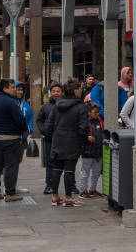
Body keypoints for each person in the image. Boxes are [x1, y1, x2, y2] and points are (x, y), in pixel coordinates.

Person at [0, 79, 28, 202]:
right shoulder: (11, 102)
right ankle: (10, 193)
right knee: (11, 166)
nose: (15, 89)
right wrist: (24, 129)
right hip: (11, 138)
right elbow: (20, 120)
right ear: (4, 88)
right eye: (12, 87)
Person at [46, 79, 88, 207]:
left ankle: (54, 197)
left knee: (57, 169)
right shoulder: (80, 107)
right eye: (80, 88)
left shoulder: (57, 105)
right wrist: (82, 142)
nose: (81, 91)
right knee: (69, 171)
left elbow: (49, 125)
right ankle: (68, 197)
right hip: (72, 142)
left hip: (57, 141)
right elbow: (83, 128)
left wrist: (54, 137)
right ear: (75, 91)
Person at [37, 82, 63, 195]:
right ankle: (49, 185)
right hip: (49, 139)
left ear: (62, 93)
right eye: (53, 91)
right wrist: (44, 131)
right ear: (50, 93)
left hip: (63, 139)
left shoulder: (65, 105)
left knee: (64, 162)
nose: (55, 93)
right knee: (49, 162)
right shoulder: (45, 107)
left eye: (58, 91)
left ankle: (71, 185)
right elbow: (39, 120)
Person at [79, 102, 104, 199]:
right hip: (87, 151)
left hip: (98, 151)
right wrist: (86, 137)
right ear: (89, 112)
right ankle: (83, 191)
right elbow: (79, 134)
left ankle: (92, 189)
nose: (98, 114)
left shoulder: (100, 121)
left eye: (98, 112)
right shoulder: (84, 122)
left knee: (96, 172)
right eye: (95, 112)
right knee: (85, 172)